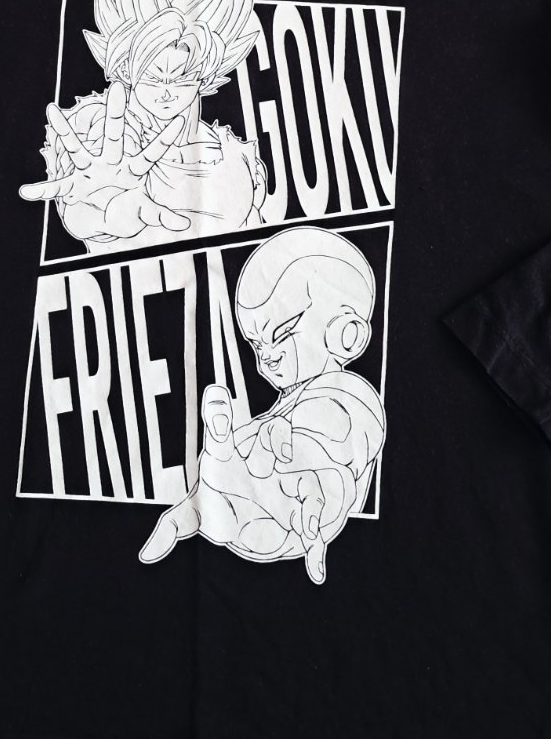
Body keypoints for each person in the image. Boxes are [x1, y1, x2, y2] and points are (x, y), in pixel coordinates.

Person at [139, 227, 386, 585]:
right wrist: (218, 486)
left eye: (281, 334)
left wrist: (305, 470)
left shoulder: (349, 393)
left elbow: (336, 432)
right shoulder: (282, 410)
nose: (266, 358)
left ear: (347, 334)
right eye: (256, 345)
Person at [19, 0, 267, 251]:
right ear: (129, 69)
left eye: (181, 78)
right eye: (153, 77)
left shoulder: (235, 159)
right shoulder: (103, 130)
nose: (166, 90)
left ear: (204, 75)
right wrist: (96, 211)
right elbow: (89, 195)